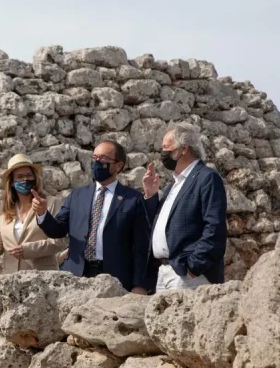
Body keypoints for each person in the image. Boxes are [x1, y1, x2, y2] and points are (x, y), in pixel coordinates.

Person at [32, 140, 151, 294]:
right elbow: (58, 230)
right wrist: (43, 213)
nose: (96, 162)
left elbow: (142, 246)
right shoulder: (77, 195)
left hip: (115, 278)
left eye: (102, 159)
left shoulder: (132, 199)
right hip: (76, 276)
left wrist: (139, 284)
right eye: (94, 158)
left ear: (118, 166)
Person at [142, 123, 227, 291]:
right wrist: (151, 196)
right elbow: (164, 224)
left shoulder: (206, 178)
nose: (162, 153)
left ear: (183, 149)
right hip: (164, 271)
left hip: (186, 274)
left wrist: (194, 266)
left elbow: (215, 226)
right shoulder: (173, 184)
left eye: (166, 148)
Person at [0, 154, 67, 273]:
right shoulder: (3, 210)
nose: (25, 180)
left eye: (28, 175)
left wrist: (29, 250)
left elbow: (61, 241)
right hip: (10, 278)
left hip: (43, 277)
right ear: (12, 182)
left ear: (35, 178)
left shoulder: (50, 204)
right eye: (20, 176)